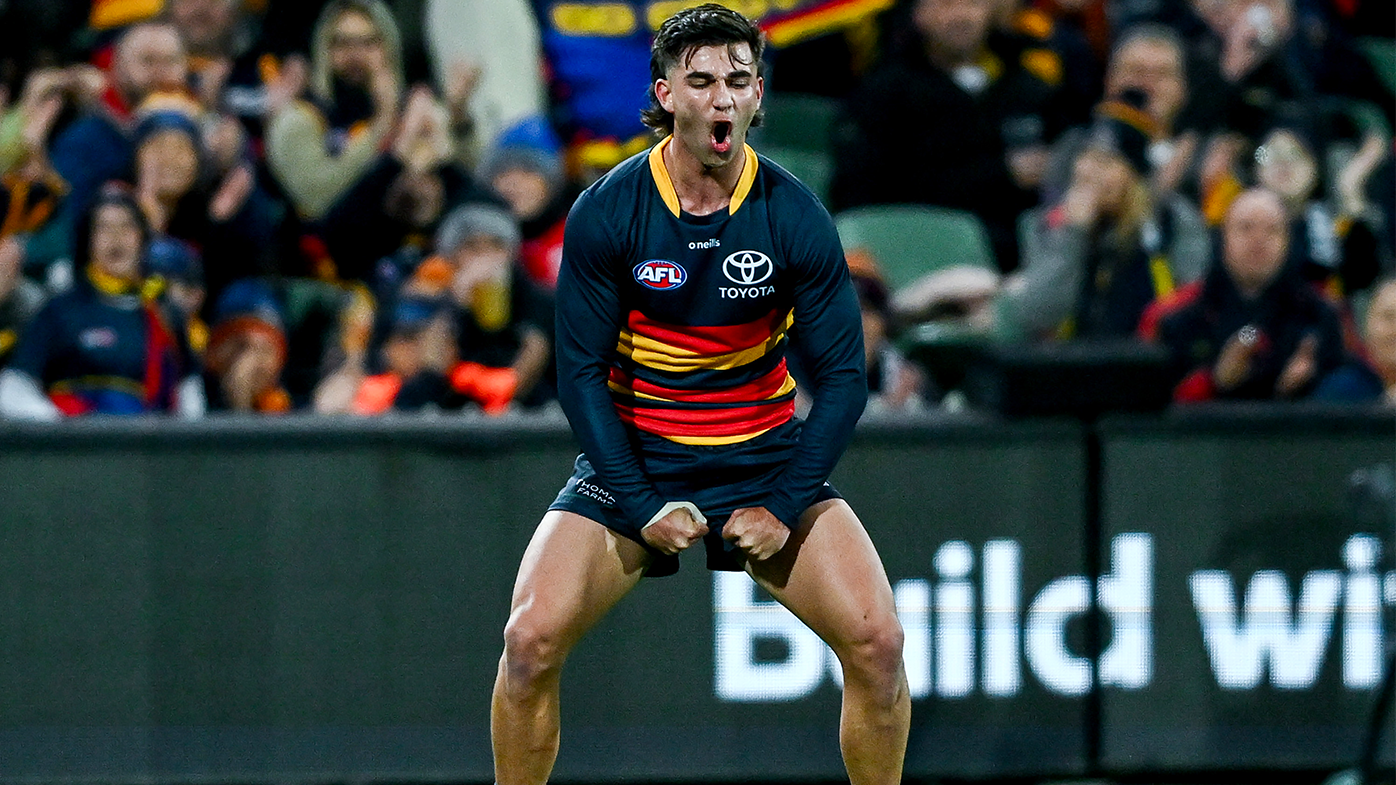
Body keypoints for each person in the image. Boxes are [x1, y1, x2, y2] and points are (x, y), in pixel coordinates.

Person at [490, 7, 910, 785]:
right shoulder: (610, 211)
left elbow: (846, 380)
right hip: (632, 463)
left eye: (739, 82)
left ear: (757, 100)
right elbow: (578, 375)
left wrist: (782, 503)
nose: (722, 99)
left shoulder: (794, 216)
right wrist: (639, 497)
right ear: (665, 94)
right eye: (703, 81)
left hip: (763, 461)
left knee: (879, 644)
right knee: (529, 642)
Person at [0, 186, 204, 419]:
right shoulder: (60, 311)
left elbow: (189, 394)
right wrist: (64, 428)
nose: (116, 237)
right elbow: (12, 388)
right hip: (78, 447)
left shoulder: (166, 315)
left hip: (146, 447)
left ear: (142, 239)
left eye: (126, 226)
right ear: (88, 241)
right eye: (103, 228)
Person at [1139, 186, 1346, 402]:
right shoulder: (1181, 320)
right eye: (1246, 228)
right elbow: (1158, 407)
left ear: (1288, 242)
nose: (1259, 239)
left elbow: (1347, 400)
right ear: (1223, 239)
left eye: (1272, 230)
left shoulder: (1319, 318)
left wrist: (1308, 387)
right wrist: (1215, 381)